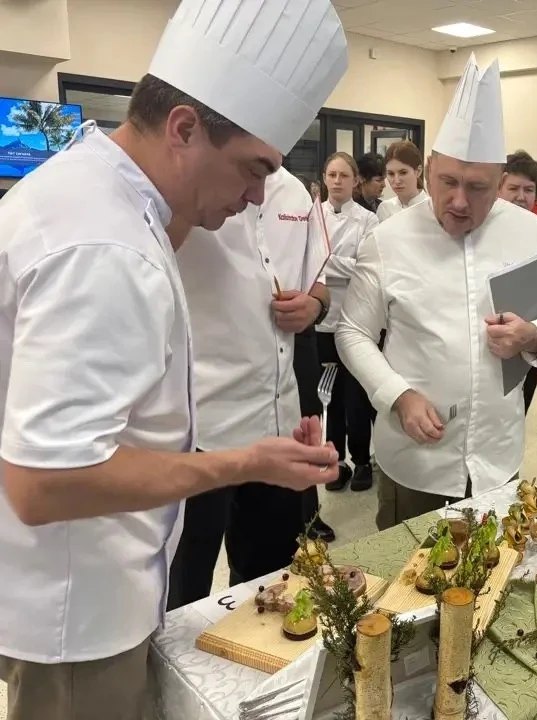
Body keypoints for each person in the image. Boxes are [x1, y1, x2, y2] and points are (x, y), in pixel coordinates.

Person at [0, 0, 348, 717]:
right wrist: (240, 463)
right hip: (76, 616)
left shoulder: (96, 191)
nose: (257, 195)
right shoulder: (108, 247)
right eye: (252, 169)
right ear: (184, 127)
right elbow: (46, 483)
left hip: (84, 591)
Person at [336, 54, 537, 530]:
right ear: (429, 170)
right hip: (416, 458)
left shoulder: (532, 235)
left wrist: (534, 334)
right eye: (448, 182)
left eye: (478, 187)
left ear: (500, 181)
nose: (460, 202)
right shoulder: (389, 240)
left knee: (492, 569)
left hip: (496, 452)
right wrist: (397, 395)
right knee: (407, 570)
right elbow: (352, 333)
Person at [168, 166, 334, 610]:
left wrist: (314, 305)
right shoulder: (185, 187)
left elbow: (319, 280)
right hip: (201, 427)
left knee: (271, 577)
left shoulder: (294, 193)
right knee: (184, 583)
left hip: (278, 422)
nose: (257, 192)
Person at [317, 152, 380, 492]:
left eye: (344, 175)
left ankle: (362, 461)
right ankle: (335, 461)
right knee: (329, 396)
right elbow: (305, 262)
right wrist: (336, 264)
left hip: (355, 320)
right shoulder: (313, 216)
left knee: (357, 396)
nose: (337, 181)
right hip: (321, 321)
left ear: (355, 180)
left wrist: (325, 262)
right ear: (324, 178)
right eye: (332, 174)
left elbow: (366, 269)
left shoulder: (368, 221)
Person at [497, 149, 537, 413]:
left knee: (520, 410)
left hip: (530, 342)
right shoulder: (476, 232)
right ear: (498, 188)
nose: (521, 197)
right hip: (490, 342)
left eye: (529, 190)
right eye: (513, 188)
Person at [377, 140, 428, 221]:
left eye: (403, 173)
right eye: (391, 174)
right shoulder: (385, 208)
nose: (397, 181)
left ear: (418, 171)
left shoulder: (433, 208)